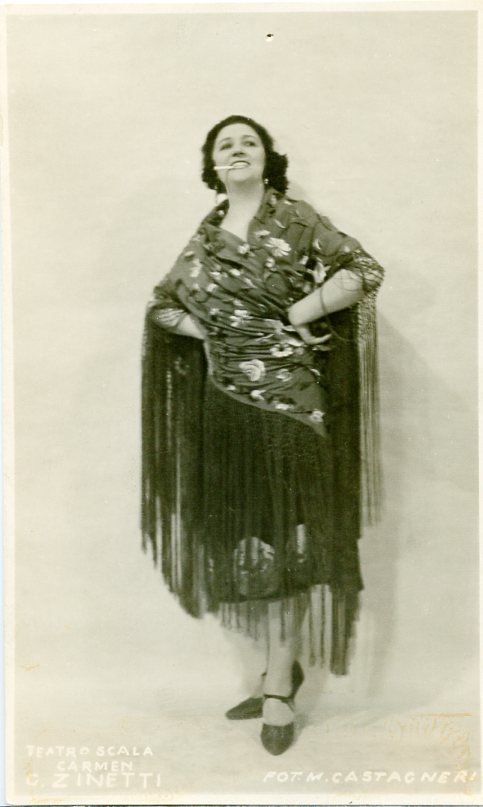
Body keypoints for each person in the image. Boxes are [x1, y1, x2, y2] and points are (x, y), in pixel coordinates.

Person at [141, 114, 384, 755]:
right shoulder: (202, 242)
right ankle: (281, 667)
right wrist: (209, 332)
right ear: (213, 166)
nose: (238, 149)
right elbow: (162, 305)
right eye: (226, 144)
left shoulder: (297, 220)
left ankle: (278, 685)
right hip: (227, 408)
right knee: (251, 540)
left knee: (293, 537)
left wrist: (302, 310)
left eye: (249, 141)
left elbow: (363, 269)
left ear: (267, 158)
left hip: (293, 406)